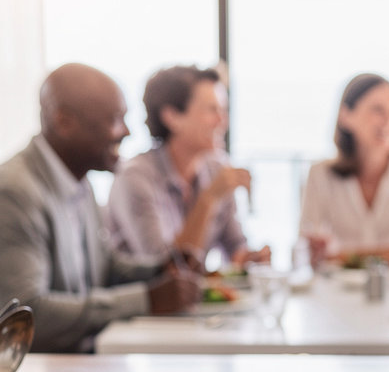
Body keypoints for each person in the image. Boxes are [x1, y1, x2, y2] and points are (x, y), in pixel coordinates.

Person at [0, 63, 200, 353]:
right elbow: (26, 318)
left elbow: (102, 267)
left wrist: (159, 269)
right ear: (65, 122)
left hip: (67, 366)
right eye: (115, 120)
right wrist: (147, 299)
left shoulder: (80, 183)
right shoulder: (10, 195)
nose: (127, 132)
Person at [107, 65, 270, 270]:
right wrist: (209, 198)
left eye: (223, 110)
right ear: (172, 117)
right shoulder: (135, 178)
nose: (223, 121)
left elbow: (235, 247)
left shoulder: (216, 167)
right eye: (212, 110)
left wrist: (251, 258)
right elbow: (166, 270)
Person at [298, 73, 389, 264]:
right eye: (378, 110)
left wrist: (344, 257)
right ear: (346, 116)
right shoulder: (319, 174)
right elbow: (303, 249)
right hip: (337, 291)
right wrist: (314, 253)